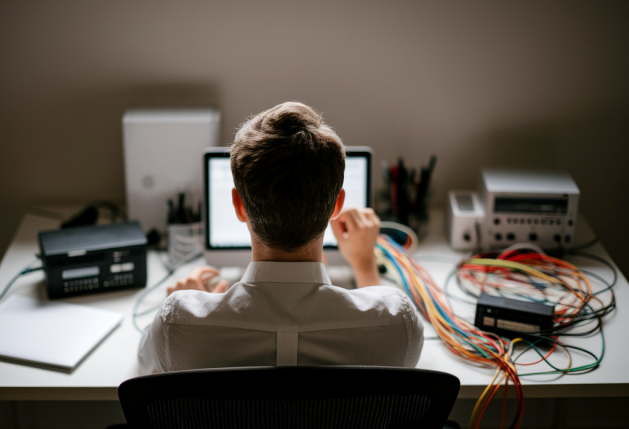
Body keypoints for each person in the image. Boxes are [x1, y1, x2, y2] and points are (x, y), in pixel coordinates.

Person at [138, 101, 423, 374]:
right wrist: (364, 265)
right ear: (336, 206)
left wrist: (195, 307)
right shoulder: (399, 323)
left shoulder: (176, 323)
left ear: (239, 206)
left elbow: (143, 368)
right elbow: (382, 325)